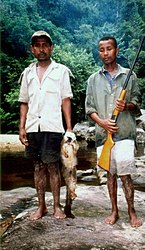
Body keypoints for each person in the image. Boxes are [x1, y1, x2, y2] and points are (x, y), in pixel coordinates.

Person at [85, 36, 142, 227]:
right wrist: (103, 123)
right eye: (101, 50)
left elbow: (137, 104)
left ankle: (132, 212)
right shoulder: (93, 79)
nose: (105, 53)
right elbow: (89, 109)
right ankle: (114, 211)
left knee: (125, 174)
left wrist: (127, 106)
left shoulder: (129, 76)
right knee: (110, 175)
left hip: (125, 133)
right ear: (99, 52)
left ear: (116, 51)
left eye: (109, 49)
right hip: (104, 136)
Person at [19, 30, 75, 220]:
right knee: (38, 167)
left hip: (53, 126)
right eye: (37, 45)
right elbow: (24, 102)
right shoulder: (27, 73)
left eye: (45, 45)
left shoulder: (61, 71)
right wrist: (22, 127)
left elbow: (66, 100)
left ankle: (57, 207)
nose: (41, 49)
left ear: (51, 48)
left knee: (53, 167)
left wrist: (69, 128)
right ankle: (41, 206)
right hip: (34, 126)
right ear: (32, 49)